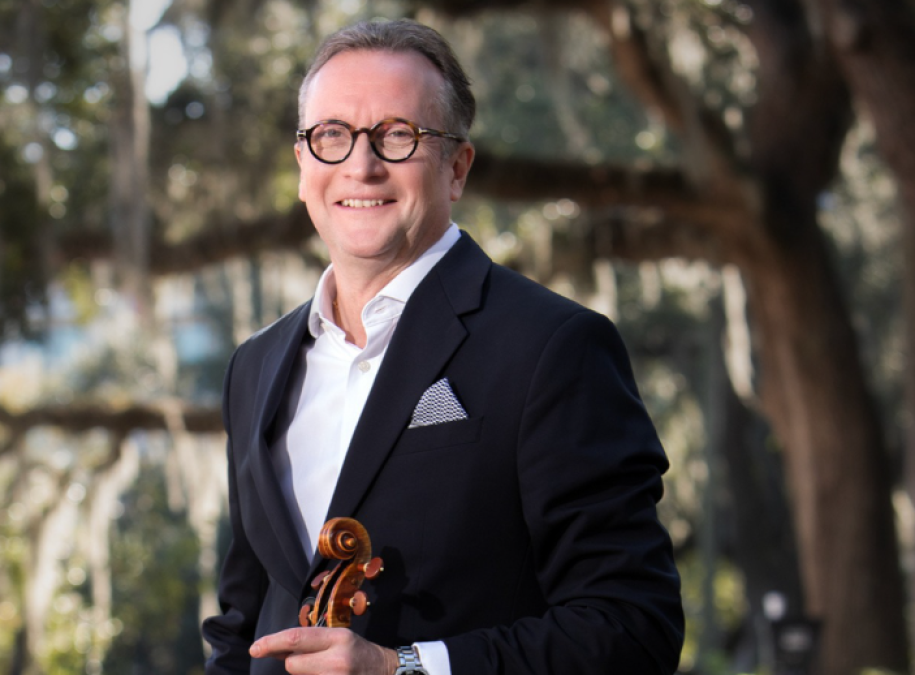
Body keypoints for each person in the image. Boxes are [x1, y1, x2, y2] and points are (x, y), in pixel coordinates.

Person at [201, 18, 684, 675]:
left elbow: (632, 625)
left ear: (456, 168)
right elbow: (242, 621)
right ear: (302, 165)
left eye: (398, 136)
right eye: (332, 136)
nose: (361, 165)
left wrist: (403, 666)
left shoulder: (554, 347)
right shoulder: (254, 365)